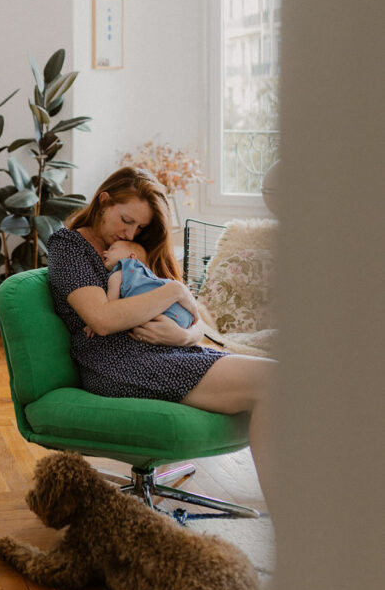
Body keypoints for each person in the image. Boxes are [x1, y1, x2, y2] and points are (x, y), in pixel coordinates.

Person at [46, 166, 277, 505]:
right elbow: (103, 319)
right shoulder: (68, 247)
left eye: (139, 227)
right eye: (125, 220)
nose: (130, 232)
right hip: (115, 364)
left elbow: (197, 318)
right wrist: (172, 290)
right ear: (104, 200)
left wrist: (184, 337)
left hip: (170, 352)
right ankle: (291, 519)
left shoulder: (134, 249)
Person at [100, 239, 196, 328]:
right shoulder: (146, 272)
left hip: (165, 316)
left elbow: (110, 309)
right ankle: (195, 315)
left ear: (131, 256)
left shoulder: (118, 274)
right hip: (183, 313)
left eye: (112, 249)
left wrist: (95, 324)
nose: (105, 252)